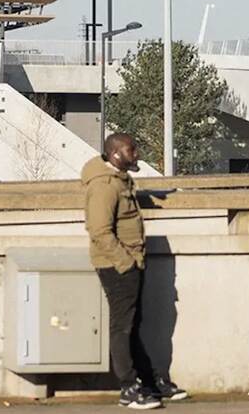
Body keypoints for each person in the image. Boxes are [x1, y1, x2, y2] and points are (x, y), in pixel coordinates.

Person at [82, 132, 188, 410]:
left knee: (133, 326)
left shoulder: (120, 180)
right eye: (132, 150)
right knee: (122, 328)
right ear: (116, 154)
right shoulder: (105, 186)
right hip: (117, 265)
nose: (137, 154)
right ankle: (129, 389)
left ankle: (150, 383)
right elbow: (99, 230)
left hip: (130, 262)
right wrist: (125, 263)